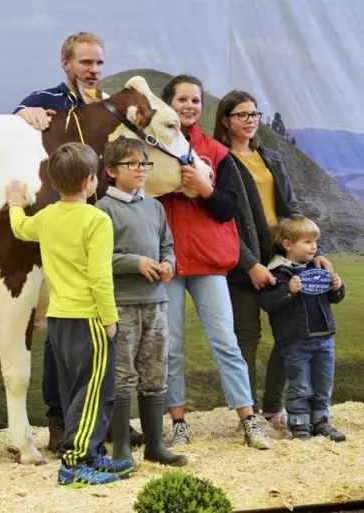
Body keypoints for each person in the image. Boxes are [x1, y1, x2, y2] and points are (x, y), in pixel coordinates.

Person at [13, 30, 144, 451]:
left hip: (97, 220)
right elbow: (16, 134)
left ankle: (104, 419)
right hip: (56, 225)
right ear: (65, 63)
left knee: (95, 342)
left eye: (99, 63)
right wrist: (22, 112)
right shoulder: (43, 99)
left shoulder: (106, 106)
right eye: (86, 62)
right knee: (59, 333)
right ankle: (59, 421)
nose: (94, 70)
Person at [158, 75, 270, 449]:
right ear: (167, 104)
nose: (189, 106)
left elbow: (227, 208)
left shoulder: (216, 153)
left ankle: (248, 417)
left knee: (225, 340)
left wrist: (203, 188)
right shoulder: (151, 149)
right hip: (169, 260)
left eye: (196, 100)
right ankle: (178, 421)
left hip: (207, 260)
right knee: (170, 345)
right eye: (182, 100)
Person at [5, 142, 126, 487]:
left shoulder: (45, 217)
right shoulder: (97, 220)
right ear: (91, 181)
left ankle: (92, 453)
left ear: (54, 183)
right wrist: (110, 318)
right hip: (89, 319)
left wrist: (15, 203)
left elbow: (20, 229)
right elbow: (100, 277)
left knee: (75, 390)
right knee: (94, 392)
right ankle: (74, 463)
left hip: (58, 319)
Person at [213, 89, 334, 428]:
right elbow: (221, 220)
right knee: (247, 336)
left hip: (282, 254)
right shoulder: (220, 161)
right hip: (241, 256)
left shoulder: (271, 158)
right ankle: (247, 413)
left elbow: (292, 211)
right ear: (225, 120)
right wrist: (249, 262)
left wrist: (315, 253)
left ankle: (272, 406)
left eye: (254, 114)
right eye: (242, 115)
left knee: (291, 333)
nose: (250, 121)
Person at [95, 136, 188, 468]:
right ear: (110, 170)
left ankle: (155, 446)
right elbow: (98, 260)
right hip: (122, 305)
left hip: (156, 304)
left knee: (155, 373)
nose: (140, 170)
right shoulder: (102, 210)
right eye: (132, 164)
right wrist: (135, 263)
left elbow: (168, 245)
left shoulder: (155, 207)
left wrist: (168, 265)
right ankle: (120, 447)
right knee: (122, 375)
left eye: (144, 163)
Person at [258, 216, 345, 441]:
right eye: (307, 242)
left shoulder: (317, 269)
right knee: (300, 384)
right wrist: (287, 290)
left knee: (323, 382)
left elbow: (334, 299)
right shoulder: (278, 272)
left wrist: (336, 287)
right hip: (295, 341)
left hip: (324, 338)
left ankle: (321, 421)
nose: (314, 247)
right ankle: (299, 423)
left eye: (315, 241)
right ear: (288, 245)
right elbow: (267, 302)